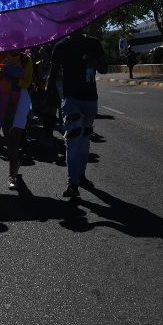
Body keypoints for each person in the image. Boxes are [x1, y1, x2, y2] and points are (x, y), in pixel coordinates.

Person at [48, 29, 107, 198]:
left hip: (90, 99)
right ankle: (72, 183)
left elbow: (104, 69)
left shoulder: (93, 43)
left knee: (84, 138)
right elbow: (52, 74)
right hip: (71, 98)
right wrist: (47, 96)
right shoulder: (61, 46)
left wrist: (94, 61)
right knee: (73, 138)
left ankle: (80, 175)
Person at [0, 51, 34, 190]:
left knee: (15, 136)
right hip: (2, 98)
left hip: (20, 99)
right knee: (8, 137)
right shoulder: (0, 56)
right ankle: (15, 163)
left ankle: (12, 174)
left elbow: (26, 83)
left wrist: (9, 78)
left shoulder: (26, 60)